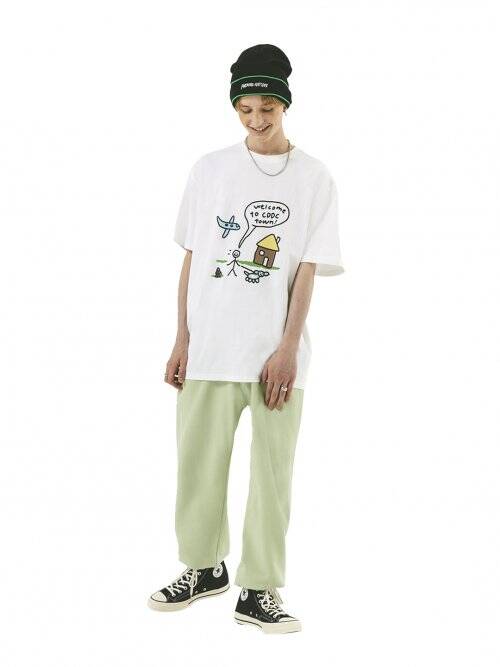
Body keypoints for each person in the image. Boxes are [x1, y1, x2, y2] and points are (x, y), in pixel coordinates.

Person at [148, 44, 344, 634]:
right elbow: (192, 259)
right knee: (198, 466)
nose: (256, 120)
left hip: (275, 358)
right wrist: (181, 339)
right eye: (245, 109)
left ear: (285, 105)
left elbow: (306, 269)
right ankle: (203, 568)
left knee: (272, 475)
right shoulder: (208, 170)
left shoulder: (314, 178)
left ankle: (258, 589)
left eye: (267, 108)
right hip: (209, 347)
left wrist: (287, 349)